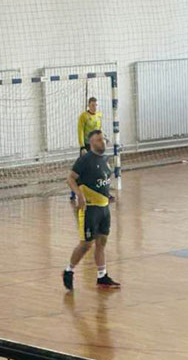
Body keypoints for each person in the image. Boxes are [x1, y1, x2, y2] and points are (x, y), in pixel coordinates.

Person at [63, 130, 119, 290]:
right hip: (90, 209)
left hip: (104, 208)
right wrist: (79, 195)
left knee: (102, 241)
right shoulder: (84, 160)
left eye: (103, 139)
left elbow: (103, 180)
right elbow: (70, 179)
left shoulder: (105, 159)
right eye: (99, 140)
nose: (103, 142)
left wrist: (108, 195)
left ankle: (102, 276)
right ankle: (69, 270)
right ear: (92, 143)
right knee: (86, 244)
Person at [71, 97, 103, 201]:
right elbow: (80, 131)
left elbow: (99, 130)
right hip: (87, 146)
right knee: (81, 170)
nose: (94, 107)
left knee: (98, 168)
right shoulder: (84, 116)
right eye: (92, 105)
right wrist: (82, 146)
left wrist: (103, 139)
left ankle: (101, 192)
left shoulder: (99, 115)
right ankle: (74, 191)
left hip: (95, 146)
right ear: (89, 105)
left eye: (96, 105)